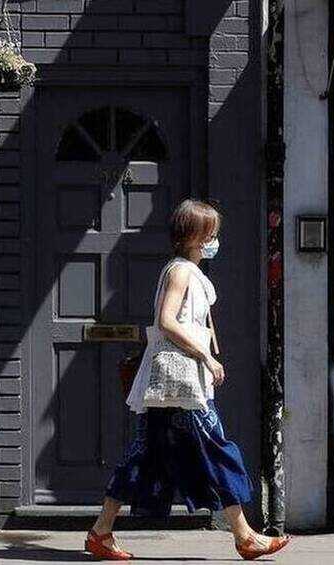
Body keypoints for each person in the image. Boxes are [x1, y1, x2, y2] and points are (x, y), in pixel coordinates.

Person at [85, 198, 290, 561]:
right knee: (218, 450)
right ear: (194, 236)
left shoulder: (185, 271)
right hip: (182, 388)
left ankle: (101, 532)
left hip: (171, 391)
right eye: (211, 233)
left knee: (144, 456)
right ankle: (245, 536)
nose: (215, 239)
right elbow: (167, 321)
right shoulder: (180, 271)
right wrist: (205, 356)